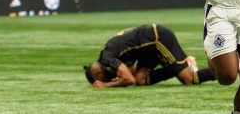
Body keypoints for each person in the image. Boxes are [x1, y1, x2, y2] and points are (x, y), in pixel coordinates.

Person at [84, 24, 215, 88]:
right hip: (148, 48)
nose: (108, 79)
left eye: (103, 79)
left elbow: (129, 79)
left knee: (189, 79)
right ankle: (181, 64)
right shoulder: (108, 54)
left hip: (158, 39)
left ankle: (223, 70)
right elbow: (132, 74)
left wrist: (104, 86)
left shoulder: (107, 59)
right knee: (141, 80)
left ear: (98, 73)